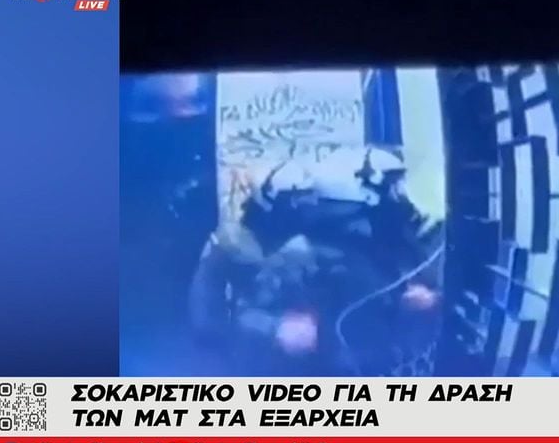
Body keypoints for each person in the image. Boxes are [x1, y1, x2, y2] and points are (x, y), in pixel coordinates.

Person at [188, 145, 444, 376]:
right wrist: (275, 329)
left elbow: (397, 291)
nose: (400, 194)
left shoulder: (387, 238)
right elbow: (215, 316)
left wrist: (428, 299)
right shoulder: (272, 251)